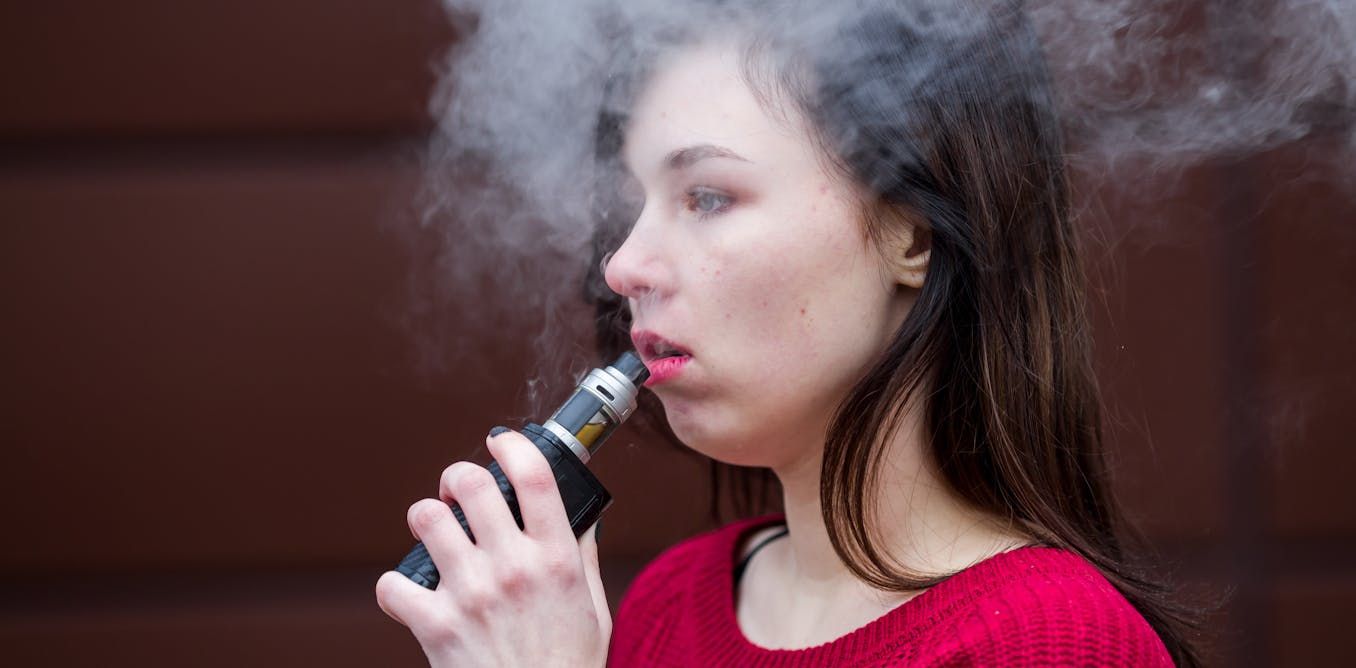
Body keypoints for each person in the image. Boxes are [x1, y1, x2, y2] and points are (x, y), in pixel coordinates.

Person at [377, 2, 1204, 666]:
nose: (622, 265)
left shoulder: (1055, 644)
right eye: (629, 209)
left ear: (913, 235)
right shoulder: (670, 604)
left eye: (706, 197)